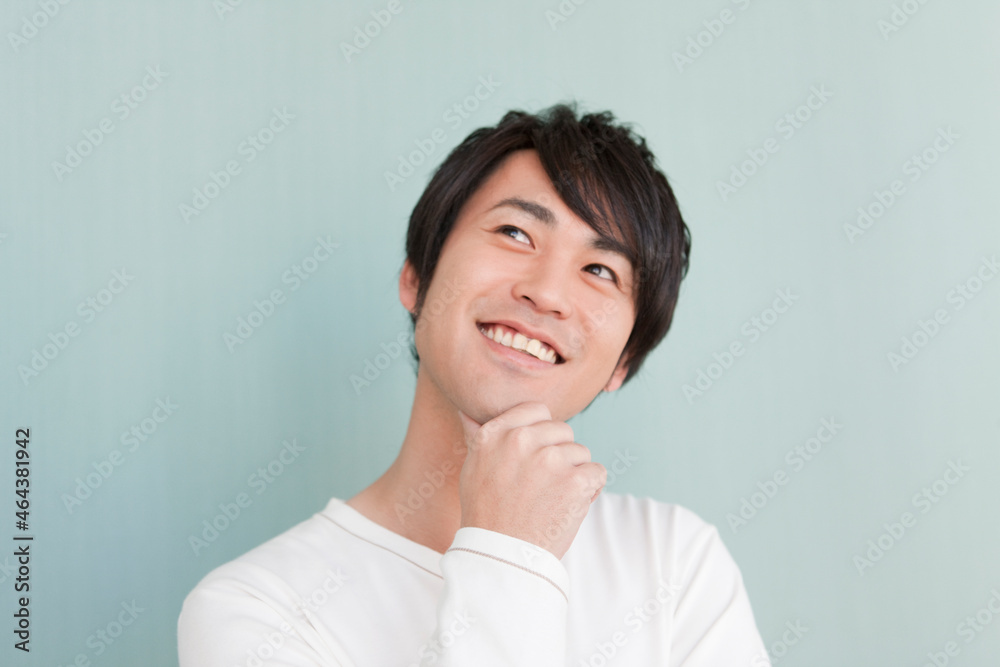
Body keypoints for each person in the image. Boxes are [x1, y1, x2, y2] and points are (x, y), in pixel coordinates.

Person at [178, 103, 770, 666]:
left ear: (625, 360)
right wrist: (508, 550)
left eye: (599, 270)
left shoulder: (675, 562)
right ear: (416, 278)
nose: (547, 292)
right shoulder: (253, 609)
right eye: (515, 233)